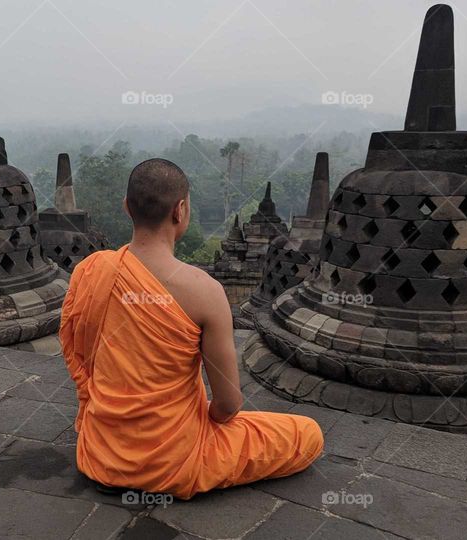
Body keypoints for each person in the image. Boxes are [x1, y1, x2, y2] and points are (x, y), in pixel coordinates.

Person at [60, 158, 324, 500]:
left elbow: (79, 354)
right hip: (175, 460)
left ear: (126, 207)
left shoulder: (92, 271)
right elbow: (228, 405)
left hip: (101, 454)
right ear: (180, 210)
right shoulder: (205, 291)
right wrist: (204, 420)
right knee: (307, 433)